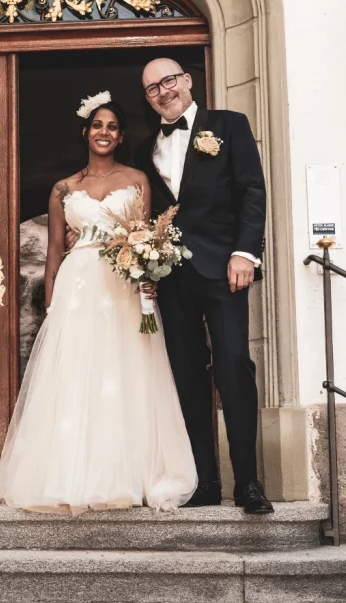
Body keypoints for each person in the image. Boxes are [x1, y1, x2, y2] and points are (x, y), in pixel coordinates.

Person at [0, 92, 196, 514]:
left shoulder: (137, 180)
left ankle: (127, 474)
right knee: (76, 373)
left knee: (125, 370)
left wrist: (147, 281)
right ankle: (67, 474)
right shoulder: (64, 189)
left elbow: (145, 239)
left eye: (112, 127)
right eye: (98, 125)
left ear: (121, 137)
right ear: (86, 132)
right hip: (78, 286)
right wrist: (52, 306)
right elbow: (53, 255)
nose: (104, 132)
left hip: (122, 286)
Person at [133, 58, 273, 514]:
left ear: (188, 81)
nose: (163, 91)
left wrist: (245, 252)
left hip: (224, 269)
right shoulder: (144, 149)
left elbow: (252, 190)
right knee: (187, 377)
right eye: (152, 88)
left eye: (168, 81)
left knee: (234, 367)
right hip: (172, 278)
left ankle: (248, 482)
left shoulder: (229, 126)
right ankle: (204, 482)